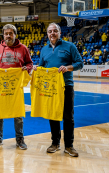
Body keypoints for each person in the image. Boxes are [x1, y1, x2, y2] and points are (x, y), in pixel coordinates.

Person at [34, 23, 83, 157]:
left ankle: (69, 145)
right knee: (52, 114)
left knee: (68, 116)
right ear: (47, 34)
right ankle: (55, 143)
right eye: (50, 31)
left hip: (66, 86)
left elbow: (80, 63)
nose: (52, 33)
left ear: (60, 32)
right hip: (51, 87)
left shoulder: (70, 46)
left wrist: (67, 68)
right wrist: (36, 69)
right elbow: (42, 66)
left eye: (55, 31)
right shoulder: (44, 50)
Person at [0, 24, 33, 149]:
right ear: (3, 35)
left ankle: (20, 139)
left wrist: (26, 68)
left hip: (16, 86)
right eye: (6, 33)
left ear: (15, 34)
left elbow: (29, 63)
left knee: (18, 114)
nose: (8, 35)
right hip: (0, 85)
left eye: (11, 33)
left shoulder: (23, 48)